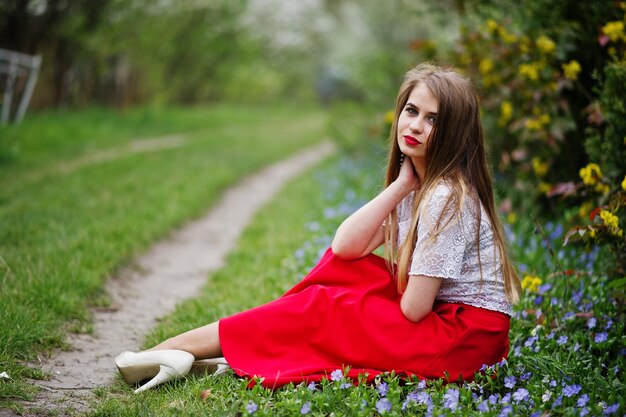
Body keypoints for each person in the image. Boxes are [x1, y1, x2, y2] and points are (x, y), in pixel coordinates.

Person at [115, 62, 521, 394]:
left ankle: (175, 349)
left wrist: (357, 311)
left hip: (464, 340)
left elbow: (414, 310)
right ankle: (219, 354)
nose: (413, 126)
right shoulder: (421, 184)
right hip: (448, 322)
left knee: (327, 309)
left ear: (452, 134)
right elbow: (345, 248)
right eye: (411, 111)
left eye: (432, 120)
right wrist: (400, 187)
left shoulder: (445, 196)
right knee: (343, 271)